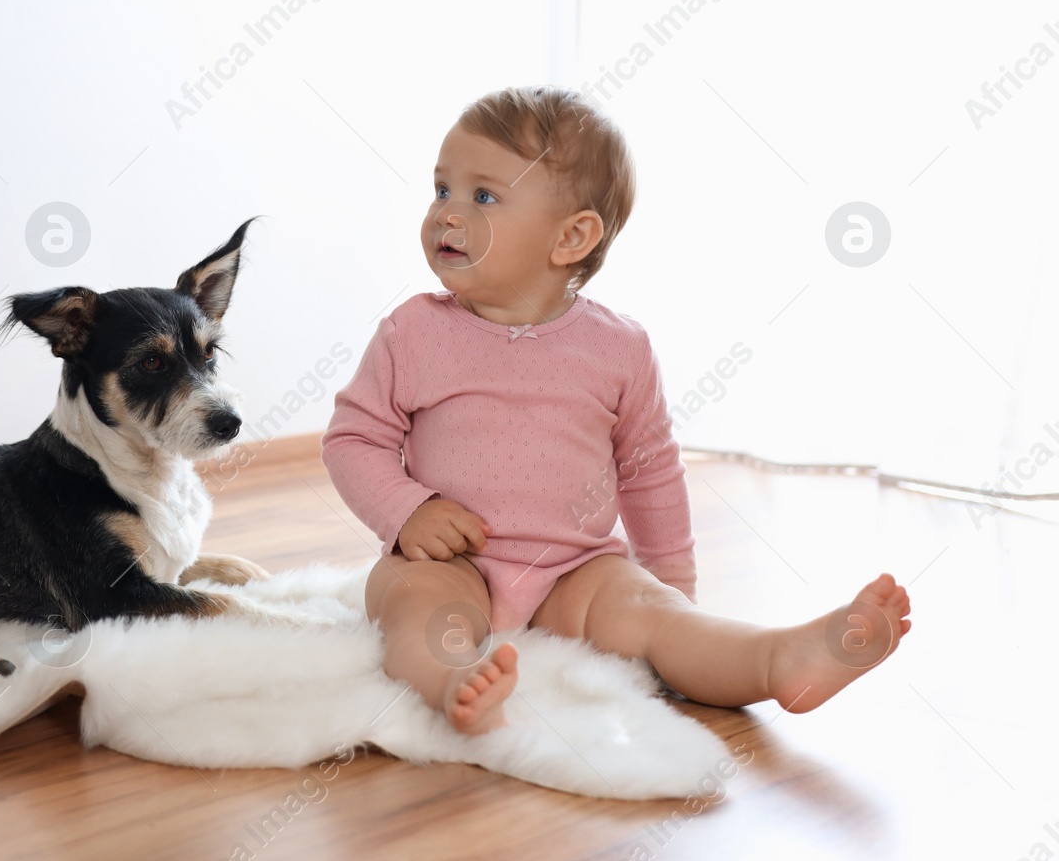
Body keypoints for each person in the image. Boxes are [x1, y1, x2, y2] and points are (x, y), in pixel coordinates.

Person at [321, 87, 912, 734]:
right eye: (441, 190)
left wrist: (671, 588)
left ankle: (780, 659)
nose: (447, 215)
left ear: (571, 236)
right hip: (447, 564)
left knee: (655, 618)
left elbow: (650, 471)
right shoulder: (413, 333)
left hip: (576, 567)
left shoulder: (617, 348)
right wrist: (408, 512)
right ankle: (454, 679)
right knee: (417, 608)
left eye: (482, 196)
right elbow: (353, 439)